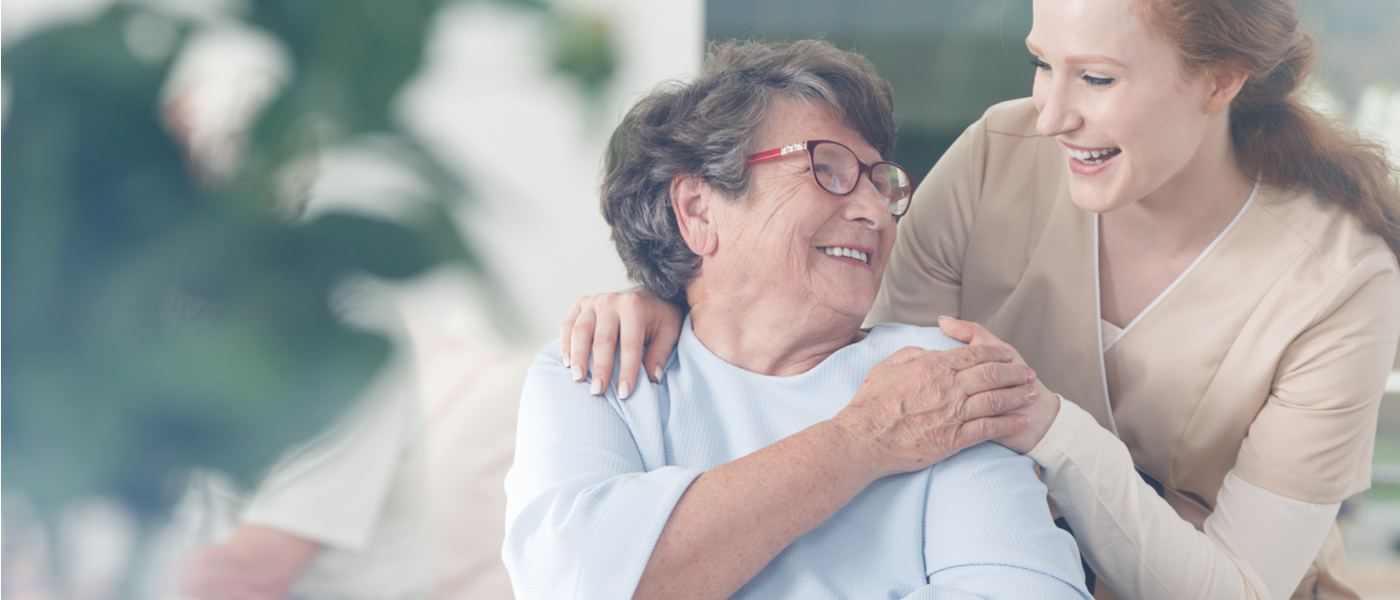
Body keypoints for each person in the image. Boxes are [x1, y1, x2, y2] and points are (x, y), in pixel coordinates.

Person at [558, 0, 1400, 598]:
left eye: (1097, 78)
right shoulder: (1001, 154)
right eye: (1042, 63)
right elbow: (845, 352)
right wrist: (680, 296)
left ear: (1220, 81)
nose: (1050, 114)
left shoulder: (1341, 283)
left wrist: (1051, 426)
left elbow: (1238, 589)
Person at [504, 39, 1093, 600]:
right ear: (698, 210)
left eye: (879, 182)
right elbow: (573, 581)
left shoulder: (938, 382)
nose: (874, 213)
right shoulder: (599, 367)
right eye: (828, 169)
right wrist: (860, 439)